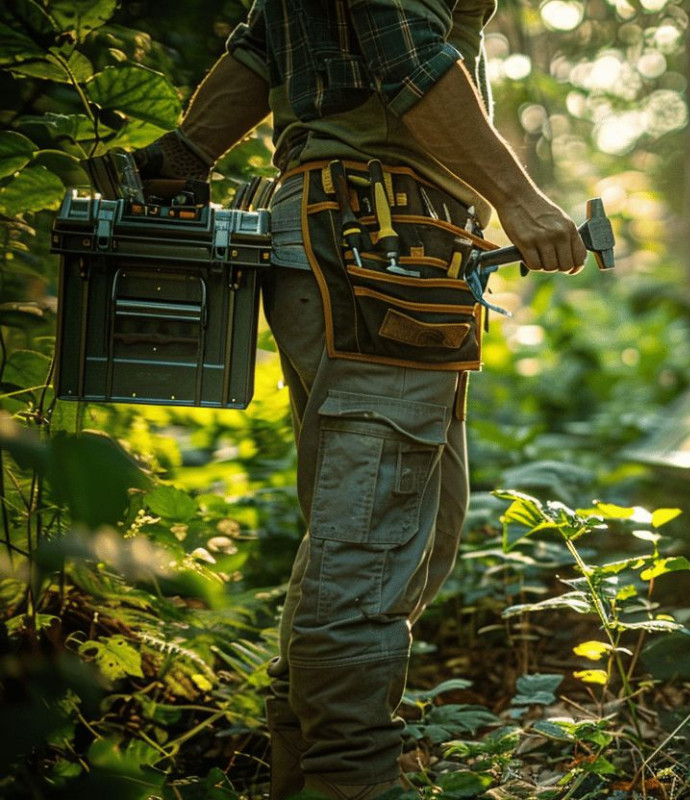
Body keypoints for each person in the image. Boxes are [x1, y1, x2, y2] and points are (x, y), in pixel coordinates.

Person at [136, 1, 586, 797]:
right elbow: (406, 50)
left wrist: (186, 149)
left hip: (346, 235)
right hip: (379, 240)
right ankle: (351, 784)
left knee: (394, 532)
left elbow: (263, 44)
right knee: (366, 553)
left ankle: (300, 776)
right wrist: (519, 198)